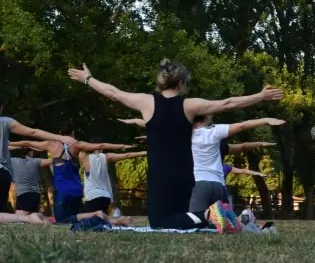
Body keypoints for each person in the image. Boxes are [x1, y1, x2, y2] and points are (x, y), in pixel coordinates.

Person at [68, 60, 283, 232]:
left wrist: (88, 79)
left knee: (160, 224)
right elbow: (227, 103)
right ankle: (235, 219)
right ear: (180, 83)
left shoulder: (146, 102)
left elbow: (113, 92)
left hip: (160, 176)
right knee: (182, 221)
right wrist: (260, 96)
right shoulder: (190, 105)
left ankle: (210, 214)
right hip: (185, 176)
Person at [11, 129, 134, 224]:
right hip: (77, 190)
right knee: (76, 220)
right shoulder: (77, 146)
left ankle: (97, 214)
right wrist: (123, 146)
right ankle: (114, 220)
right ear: (73, 132)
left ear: (59, 133)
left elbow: (27, 143)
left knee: (62, 220)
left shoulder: (52, 145)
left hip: (63, 191)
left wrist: (9, 143)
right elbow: (100, 146)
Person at [188, 115, 284, 213]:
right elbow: (242, 131)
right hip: (218, 185)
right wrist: (265, 120)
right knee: (222, 223)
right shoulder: (214, 132)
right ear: (207, 117)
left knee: (195, 220)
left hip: (198, 182)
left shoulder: (183, 134)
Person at [0, 115, 75, 223]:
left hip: (21, 193)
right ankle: (35, 218)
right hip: (6, 175)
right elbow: (33, 132)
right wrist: (60, 138)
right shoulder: (5, 121)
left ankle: (26, 218)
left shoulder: (14, 161)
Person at [81, 137, 146, 224]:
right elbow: (127, 155)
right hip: (106, 196)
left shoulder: (84, 158)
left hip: (92, 196)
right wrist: (145, 152)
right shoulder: (107, 157)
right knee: (100, 220)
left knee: (93, 221)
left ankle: (120, 220)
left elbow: (78, 147)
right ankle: (119, 219)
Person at [9, 148, 52, 217]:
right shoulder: (36, 161)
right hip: (36, 195)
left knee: (22, 219)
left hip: (24, 195)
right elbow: (53, 160)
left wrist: (15, 145)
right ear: (30, 152)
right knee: (32, 218)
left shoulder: (12, 161)